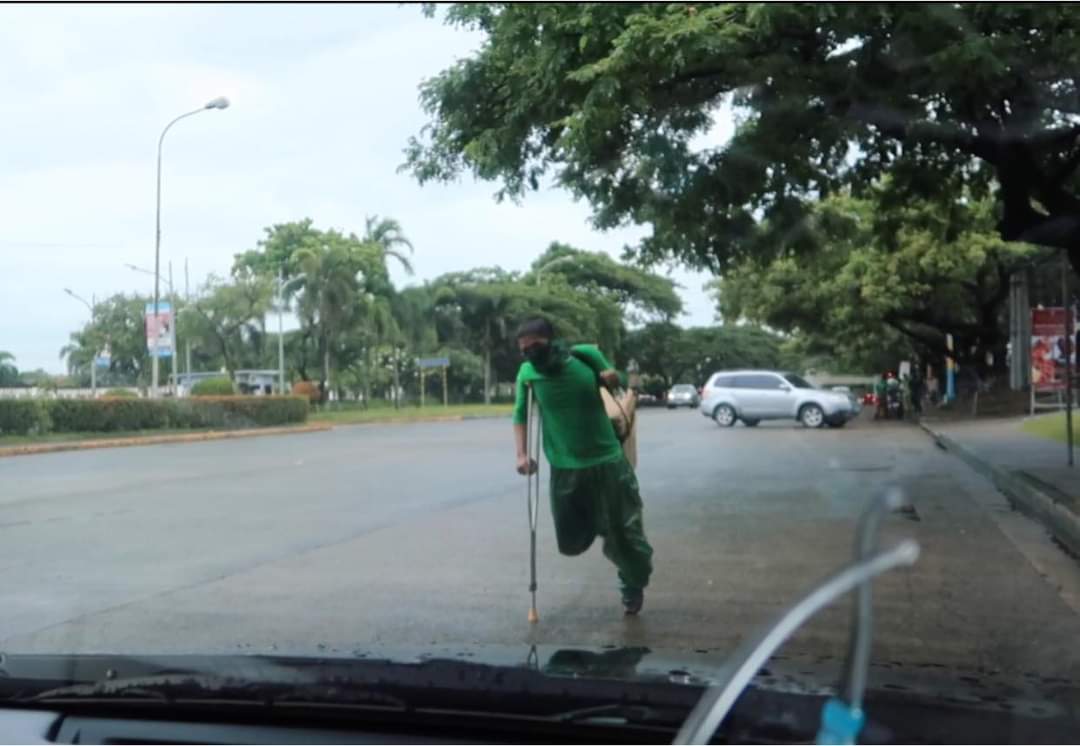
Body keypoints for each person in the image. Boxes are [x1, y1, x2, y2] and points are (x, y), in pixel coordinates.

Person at [512, 317, 654, 615]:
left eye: (535, 346)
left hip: (607, 462)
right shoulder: (527, 374)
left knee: (627, 534)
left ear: (551, 340)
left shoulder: (585, 357)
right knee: (571, 537)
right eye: (524, 350)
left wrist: (615, 380)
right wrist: (521, 454)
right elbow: (520, 415)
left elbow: (620, 387)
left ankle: (631, 582)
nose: (530, 354)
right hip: (565, 468)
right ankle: (605, 528)